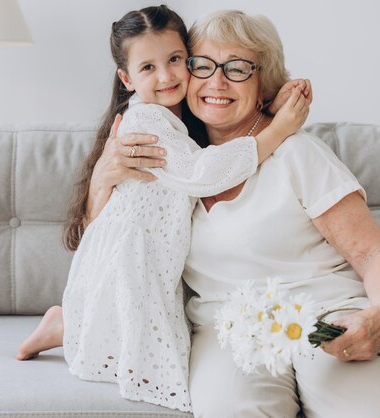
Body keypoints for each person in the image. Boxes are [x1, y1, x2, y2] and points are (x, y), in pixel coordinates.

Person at [80, 9, 380, 418]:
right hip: (228, 332)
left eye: (238, 69)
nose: (216, 81)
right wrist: (101, 181)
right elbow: (108, 244)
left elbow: (373, 253)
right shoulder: (174, 160)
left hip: (330, 315)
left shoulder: (297, 153)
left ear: (264, 84)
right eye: (202, 66)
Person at [16, 5, 309, 413]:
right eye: (148, 67)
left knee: (135, 320)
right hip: (136, 244)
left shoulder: (190, 114)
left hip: (155, 246)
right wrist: (279, 130)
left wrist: (276, 103)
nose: (167, 76)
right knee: (151, 344)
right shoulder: (147, 122)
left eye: (175, 60)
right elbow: (202, 173)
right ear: (127, 79)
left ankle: (64, 323)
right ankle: (65, 326)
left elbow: (241, 109)